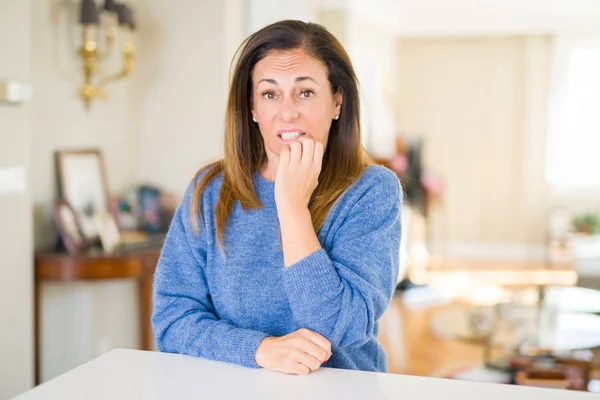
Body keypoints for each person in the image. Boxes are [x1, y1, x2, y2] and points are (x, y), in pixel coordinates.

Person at [152, 20, 402, 375]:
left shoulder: (371, 192)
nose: (288, 112)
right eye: (270, 94)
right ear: (253, 108)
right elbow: (172, 320)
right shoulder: (210, 190)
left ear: (337, 101)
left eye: (305, 92)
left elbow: (338, 328)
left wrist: (291, 207)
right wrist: (260, 350)